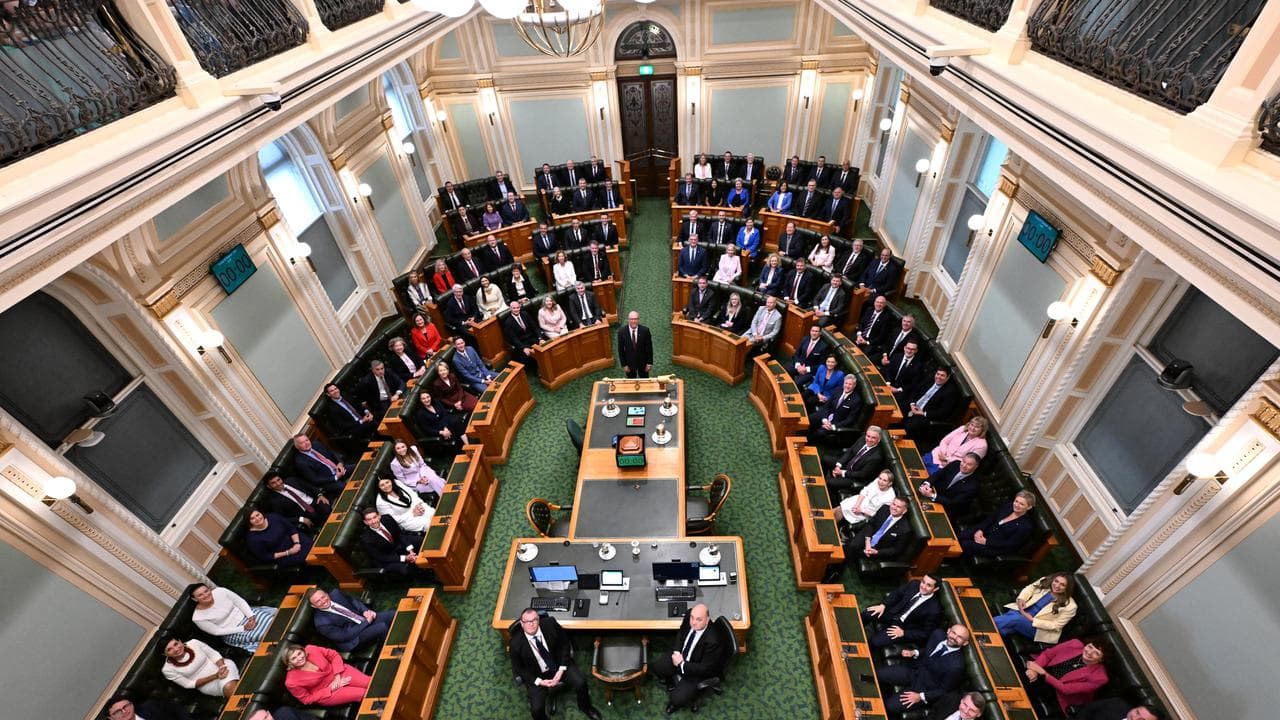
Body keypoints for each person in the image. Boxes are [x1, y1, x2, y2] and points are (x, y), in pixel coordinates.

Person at [509, 609, 602, 720]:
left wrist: (561, 669)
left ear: (538, 620)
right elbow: (519, 668)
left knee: (581, 683)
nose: (531, 623)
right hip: (537, 675)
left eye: (534, 620)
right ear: (522, 623)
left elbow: (565, 644)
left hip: (559, 665)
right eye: (527, 621)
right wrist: (540, 682)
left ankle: (585, 707)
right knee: (536, 710)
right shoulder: (515, 643)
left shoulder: (550, 624)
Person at [875, 624, 971, 713]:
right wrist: (915, 652)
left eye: (960, 637)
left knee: (889, 706)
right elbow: (929, 651)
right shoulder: (937, 634)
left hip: (923, 689)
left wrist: (920, 696)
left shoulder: (957, 666)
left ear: (965, 643)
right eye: (954, 633)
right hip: (913, 670)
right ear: (948, 631)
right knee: (878, 674)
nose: (954, 637)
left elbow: (944, 690)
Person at [651, 603, 726, 714]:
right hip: (681, 655)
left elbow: (704, 669)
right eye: (692, 618)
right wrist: (676, 651)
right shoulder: (689, 615)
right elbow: (681, 634)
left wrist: (681, 664)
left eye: (699, 619)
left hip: (695, 669)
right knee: (657, 668)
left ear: (707, 619)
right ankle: (671, 678)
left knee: (676, 699)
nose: (693, 622)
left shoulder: (713, 641)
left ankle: (674, 704)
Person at [1025, 639, 1109, 715]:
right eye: (1090, 647)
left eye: (1096, 653)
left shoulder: (1100, 677)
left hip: (1058, 692)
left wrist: (1042, 672)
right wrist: (1034, 669)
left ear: (1101, 659)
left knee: (1028, 688)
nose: (1090, 652)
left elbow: (1065, 689)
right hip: (1044, 670)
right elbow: (1048, 654)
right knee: (1025, 676)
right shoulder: (1075, 644)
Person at [862, 573, 943, 649]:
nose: (923, 586)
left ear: (935, 589)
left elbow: (925, 633)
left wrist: (904, 633)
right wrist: (883, 605)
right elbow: (897, 594)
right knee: (867, 613)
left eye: (928, 585)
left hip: (903, 627)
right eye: (923, 582)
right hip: (893, 612)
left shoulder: (934, 610)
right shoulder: (914, 584)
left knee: (875, 642)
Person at [993, 572, 1078, 643]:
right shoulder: (1045, 581)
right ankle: (987, 639)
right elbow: (1030, 588)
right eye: (1056, 581)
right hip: (1023, 611)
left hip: (1037, 628)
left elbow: (1056, 625)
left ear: (1067, 588)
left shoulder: (1071, 606)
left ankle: (984, 625)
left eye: (1062, 585)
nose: (1057, 585)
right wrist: (1022, 598)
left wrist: (1032, 620)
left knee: (1016, 618)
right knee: (1006, 628)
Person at [190, 583, 276, 653]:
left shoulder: (221, 591)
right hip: (233, 631)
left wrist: (251, 616)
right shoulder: (197, 618)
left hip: (247, 615)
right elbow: (217, 631)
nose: (205, 595)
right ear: (195, 599)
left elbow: (240, 602)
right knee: (262, 635)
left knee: (272, 621)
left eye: (206, 591)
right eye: (200, 595)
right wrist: (243, 627)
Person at [282, 643, 371, 707]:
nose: (299, 658)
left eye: (299, 653)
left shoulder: (311, 649)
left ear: (303, 651)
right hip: (328, 693)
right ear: (289, 663)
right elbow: (306, 699)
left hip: (339, 672)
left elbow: (334, 655)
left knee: (370, 683)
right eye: (294, 658)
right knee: (362, 693)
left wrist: (337, 676)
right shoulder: (291, 682)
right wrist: (330, 689)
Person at [308, 588, 394, 652]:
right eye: (318, 601)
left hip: (362, 619)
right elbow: (345, 636)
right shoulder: (321, 623)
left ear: (327, 594)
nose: (323, 601)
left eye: (323, 597)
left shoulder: (336, 593)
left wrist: (365, 611)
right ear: (314, 606)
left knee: (393, 614)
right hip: (353, 639)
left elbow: (353, 601)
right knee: (381, 627)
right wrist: (367, 622)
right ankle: (390, 650)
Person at [958, 490, 1037, 559]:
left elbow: (1010, 544)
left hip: (995, 547)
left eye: (1021, 504)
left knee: (966, 544)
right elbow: (991, 518)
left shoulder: (1026, 526)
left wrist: (986, 542)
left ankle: (951, 561)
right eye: (1016, 501)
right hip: (986, 532)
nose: (1016, 505)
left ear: (1029, 507)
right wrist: (980, 530)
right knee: (961, 536)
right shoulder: (1008, 506)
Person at [160, 637, 239, 698]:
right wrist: (216, 676)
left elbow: (214, 654)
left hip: (222, 665)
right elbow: (188, 684)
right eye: (169, 649)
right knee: (229, 687)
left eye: (176, 644)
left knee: (229, 686)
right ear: (165, 654)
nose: (176, 649)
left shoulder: (194, 643)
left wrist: (222, 667)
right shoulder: (167, 670)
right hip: (207, 684)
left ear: (180, 641)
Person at [902, 367, 964, 445]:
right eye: (937, 374)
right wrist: (912, 404)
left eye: (942, 375)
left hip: (926, 415)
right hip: (914, 405)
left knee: (910, 425)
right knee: (898, 409)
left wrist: (923, 413)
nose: (938, 377)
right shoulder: (930, 379)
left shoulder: (950, 392)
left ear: (947, 378)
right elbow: (916, 390)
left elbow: (943, 413)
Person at [825, 425, 887, 495]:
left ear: (878, 440)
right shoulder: (863, 439)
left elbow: (862, 475)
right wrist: (838, 465)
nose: (869, 439)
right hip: (848, 464)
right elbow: (850, 451)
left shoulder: (876, 457)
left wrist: (842, 472)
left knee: (830, 482)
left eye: (873, 438)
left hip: (855, 476)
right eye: (868, 436)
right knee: (825, 459)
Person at [359, 508, 424, 575]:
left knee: (421, 540)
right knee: (404, 569)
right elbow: (381, 557)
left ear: (379, 516)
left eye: (374, 517)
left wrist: (410, 550)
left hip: (398, 545)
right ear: (365, 522)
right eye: (369, 520)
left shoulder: (387, 518)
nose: (373, 521)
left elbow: (400, 534)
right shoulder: (366, 539)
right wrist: (405, 558)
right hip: (387, 557)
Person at [920, 452, 982, 520]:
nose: (964, 465)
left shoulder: (973, 486)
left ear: (975, 467)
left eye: (969, 465)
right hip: (932, 492)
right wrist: (927, 484)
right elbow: (938, 474)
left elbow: (954, 503)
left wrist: (932, 495)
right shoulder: (955, 464)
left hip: (945, 508)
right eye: (964, 461)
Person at [848, 498, 912, 564]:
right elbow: (871, 524)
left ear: (904, 511)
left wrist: (877, 552)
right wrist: (867, 540)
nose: (894, 508)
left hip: (879, 548)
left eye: (898, 507)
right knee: (852, 546)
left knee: (857, 552)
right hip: (869, 536)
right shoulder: (884, 509)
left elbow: (896, 550)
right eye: (893, 504)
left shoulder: (905, 529)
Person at [260, 474, 330, 533]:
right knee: (318, 518)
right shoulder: (274, 501)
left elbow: (309, 486)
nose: (278, 483)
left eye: (278, 480)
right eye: (273, 483)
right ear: (269, 486)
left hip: (314, 501)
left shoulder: (292, 480)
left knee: (327, 509)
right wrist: (301, 519)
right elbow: (282, 518)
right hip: (304, 513)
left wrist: (320, 495)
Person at [808, 374, 863, 446]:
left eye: (850, 384)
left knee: (819, 433)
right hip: (826, 414)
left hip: (836, 422)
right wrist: (824, 419)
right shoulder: (838, 390)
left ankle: (807, 442)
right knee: (809, 419)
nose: (847, 386)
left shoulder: (856, 400)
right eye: (846, 383)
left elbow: (850, 420)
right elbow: (827, 405)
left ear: (854, 386)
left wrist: (833, 426)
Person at [245, 509, 313, 566]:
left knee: (314, 547)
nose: (257, 518)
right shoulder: (253, 539)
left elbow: (291, 528)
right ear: (249, 522)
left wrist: (297, 543)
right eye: (252, 518)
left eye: (258, 515)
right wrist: (289, 552)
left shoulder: (273, 517)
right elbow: (265, 556)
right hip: (284, 555)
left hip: (296, 540)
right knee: (309, 556)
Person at [883, 341, 926, 407]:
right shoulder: (896, 356)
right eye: (908, 348)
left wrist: (898, 390)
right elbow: (888, 370)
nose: (909, 351)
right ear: (904, 348)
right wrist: (888, 383)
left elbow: (913, 384)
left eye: (912, 349)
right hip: (889, 384)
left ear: (916, 351)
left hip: (902, 391)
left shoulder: (918, 366)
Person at [503, 300, 542, 369]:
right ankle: (540, 370)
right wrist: (523, 348)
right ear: (510, 309)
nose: (516, 310)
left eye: (518, 307)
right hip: (522, 343)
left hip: (532, 339)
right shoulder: (508, 322)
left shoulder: (525, 314)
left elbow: (535, 327)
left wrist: (540, 338)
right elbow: (514, 339)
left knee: (543, 349)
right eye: (514, 308)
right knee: (532, 354)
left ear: (520, 307)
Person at [617, 311, 653, 378]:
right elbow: (620, 350)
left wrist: (649, 363)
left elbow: (649, 348)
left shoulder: (645, 331)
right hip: (629, 363)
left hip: (643, 363)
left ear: (638, 320)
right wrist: (624, 365)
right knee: (631, 382)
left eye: (635, 319)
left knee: (644, 381)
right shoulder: (621, 332)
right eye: (631, 319)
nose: (633, 321)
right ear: (628, 320)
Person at [104, 695, 196, 720]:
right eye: (118, 712)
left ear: (132, 704)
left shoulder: (151, 706)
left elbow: (177, 709)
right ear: (111, 718)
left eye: (126, 706)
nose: (124, 711)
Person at [1074, 699, 1160, 720]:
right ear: (1135, 707)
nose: (1134, 718)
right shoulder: (1116, 703)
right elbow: (1088, 709)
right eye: (1137, 712)